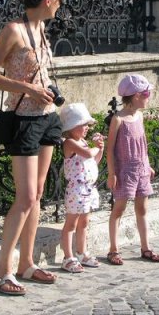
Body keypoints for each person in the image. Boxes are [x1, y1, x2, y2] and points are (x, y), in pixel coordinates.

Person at [0, 0, 63, 296]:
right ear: (48, 0)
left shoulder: (41, 29)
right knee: (26, 197)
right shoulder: (13, 30)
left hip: (47, 117)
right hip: (23, 120)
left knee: (38, 193)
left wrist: (46, 90)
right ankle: (2, 272)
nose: (59, 7)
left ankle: (27, 263)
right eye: (58, 1)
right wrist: (28, 88)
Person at [105, 74, 159, 265]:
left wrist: (147, 164)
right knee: (119, 209)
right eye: (147, 94)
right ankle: (113, 249)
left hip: (141, 170)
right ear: (137, 95)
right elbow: (110, 149)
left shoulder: (139, 116)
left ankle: (146, 247)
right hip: (125, 171)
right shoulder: (118, 119)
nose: (149, 97)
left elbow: (142, 144)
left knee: (142, 208)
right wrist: (112, 173)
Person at [58, 103, 104, 273]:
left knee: (84, 222)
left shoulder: (83, 142)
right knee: (71, 223)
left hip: (88, 189)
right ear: (72, 127)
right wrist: (95, 147)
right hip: (76, 190)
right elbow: (88, 154)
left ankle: (81, 252)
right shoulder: (69, 143)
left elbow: (94, 160)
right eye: (83, 125)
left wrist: (100, 148)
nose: (87, 128)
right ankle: (68, 257)